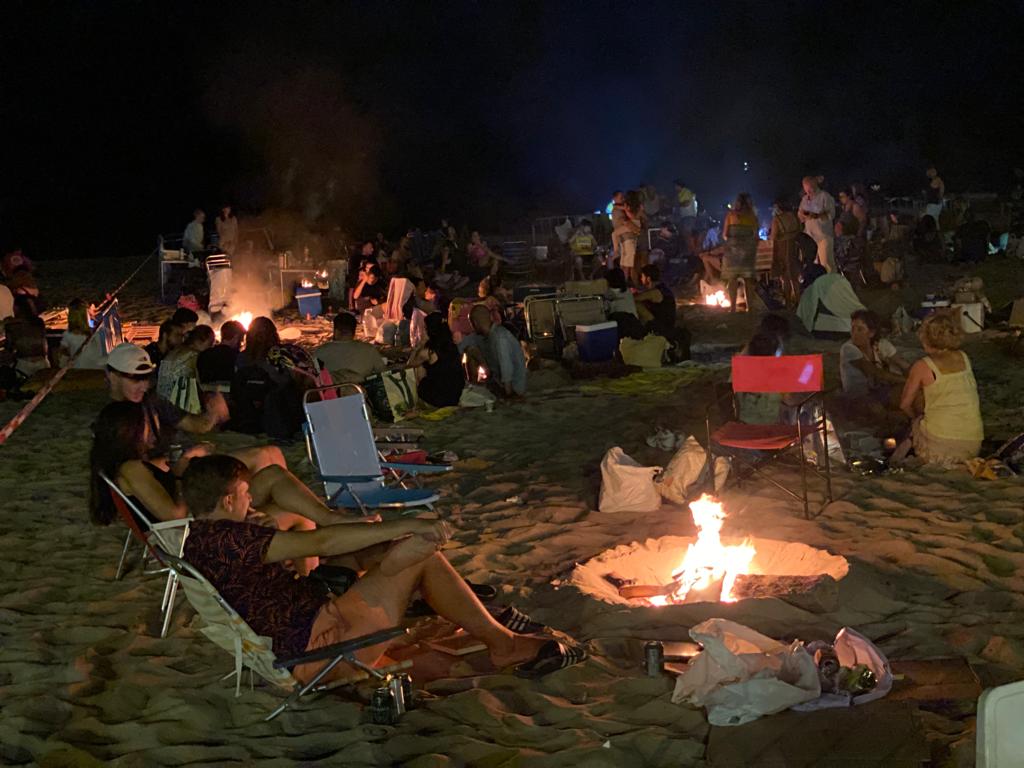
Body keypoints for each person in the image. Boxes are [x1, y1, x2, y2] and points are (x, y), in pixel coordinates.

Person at [180, 455, 582, 683]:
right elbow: (321, 542)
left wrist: (258, 524)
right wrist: (406, 522)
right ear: (228, 499)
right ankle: (502, 643)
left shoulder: (204, 536)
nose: (252, 502)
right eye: (246, 496)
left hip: (301, 626)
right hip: (318, 644)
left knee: (395, 551)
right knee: (421, 551)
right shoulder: (230, 541)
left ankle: (462, 611)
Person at [87, 404, 330, 575]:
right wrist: (184, 472)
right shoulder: (131, 469)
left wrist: (182, 465)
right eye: (145, 425)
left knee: (272, 471)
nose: (150, 430)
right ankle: (312, 581)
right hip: (191, 535)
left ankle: (297, 547)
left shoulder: (131, 465)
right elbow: (174, 515)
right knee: (299, 514)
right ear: (132, 431)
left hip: (200, 516)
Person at [104, 342, 282, 477]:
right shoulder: (116, 420)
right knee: (263, 457)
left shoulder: (151, 399)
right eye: (135, 379)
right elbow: (134, 473)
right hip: (180, 478)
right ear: (112, 376)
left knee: (272, 454)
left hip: (184, 466)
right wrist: (191, 454)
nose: (143, 385)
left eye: (146, 378)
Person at [896, 312, 983, 465]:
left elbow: (904, 404)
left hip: (941, 444)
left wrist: (916, 419)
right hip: (973, 441)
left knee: (917, 416)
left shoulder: (923, 366)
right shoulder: (963, 357)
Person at [839, 310, 909, 415]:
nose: (854, 333)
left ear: (871, 333)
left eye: (860, 329)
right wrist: (907, 381)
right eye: (853, 328)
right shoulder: (848, 349)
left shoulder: (881, 345)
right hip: (860, 397)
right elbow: (876, 373)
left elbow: (904, 364)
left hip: (880, 391)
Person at [468, 304, 527, 398]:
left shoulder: (500, 337)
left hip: (514, 387)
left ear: (474, 322)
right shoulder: (488, 336)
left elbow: (506, 367)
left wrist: (508, 394)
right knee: (472, 350)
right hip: (500, 383)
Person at [408, 312, 465, 407]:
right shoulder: (452, 346)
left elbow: (410, 364)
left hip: (439, 397)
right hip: (455, 395)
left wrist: (419, 345)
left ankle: (419, 398)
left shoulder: (429, 352)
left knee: (420, 367)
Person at [314, 312, 386, 384]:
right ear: (354, 331)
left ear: (335, 330)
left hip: (331, 394)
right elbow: (384, 374)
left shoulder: (320, 352)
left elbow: (313, 378)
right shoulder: (370, 350)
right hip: (360, 393)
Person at [157, 325, 215, 412]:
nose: (211, 347)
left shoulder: (177, 351)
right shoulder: (192, 356)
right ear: (201, 341)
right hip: (178, 407)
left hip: (163, 403)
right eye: (210, 343)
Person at [720, 193, 759, 311]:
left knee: (732, 279)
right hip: (748, 251)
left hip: (732, 251)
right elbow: (756, 235)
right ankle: (750, 307)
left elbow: (725, 234)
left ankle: (732, 307)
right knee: (748, 279)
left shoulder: (730, 215)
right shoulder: (752, 216)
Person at [3, 294, 50, 377]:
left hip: (24, 365)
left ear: (17, 308)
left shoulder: (11, 324)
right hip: (42, 362)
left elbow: (9, 347)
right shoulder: (39, 322)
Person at [798, 176, 836, 272]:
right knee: (813, 265)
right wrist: (802, 215)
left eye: (810, 188)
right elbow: (800, 215)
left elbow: (831, 214)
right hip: (810, 238)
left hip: (823, 236)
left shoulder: (825, 196)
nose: (808, 191)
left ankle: (831, 284)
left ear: (814, 185)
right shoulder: (804, 199)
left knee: (826, 263)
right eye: (806, 189)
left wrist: (817, 216)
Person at [770, 198, 803, 307]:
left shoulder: (777, 219)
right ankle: (798, 300)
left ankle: (788, 302)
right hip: (794, 245)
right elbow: (800, 229)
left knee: (785, 276)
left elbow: (773, 236)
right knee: (794, 275)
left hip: (783, 247)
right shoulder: (794, 216)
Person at [197, 319, 245, 385]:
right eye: (241, 339)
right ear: (236, 338)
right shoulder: (237, 357)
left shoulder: (205, 354)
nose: (241, 342)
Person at [634, 264, 676, 338]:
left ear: (648, 278)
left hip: (662, 326)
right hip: (667, 323)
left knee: (637, 305)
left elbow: (636, 298)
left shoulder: (655, 292)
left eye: (643, 276)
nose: (641, 279)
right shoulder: (662, 288)